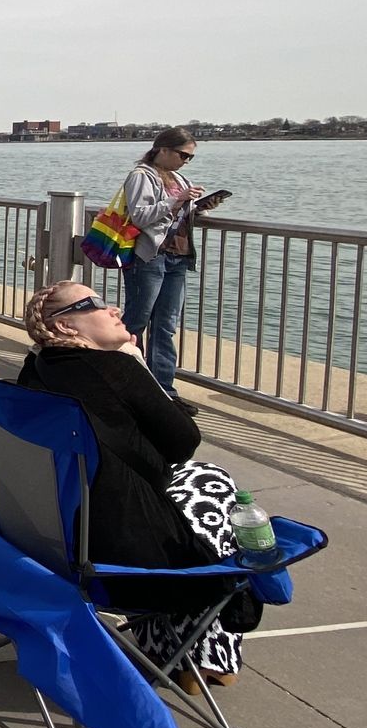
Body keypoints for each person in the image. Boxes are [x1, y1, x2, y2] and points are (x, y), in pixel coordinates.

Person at [19, 280, 252, 689]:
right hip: (116, 553)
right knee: (213, 482)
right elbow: (183, 442)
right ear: (68, 327)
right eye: (94, 303)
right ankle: (204, 655)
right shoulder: (119, 368)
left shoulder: (34, 369)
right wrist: (138, 366)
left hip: (49, 534)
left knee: (197, 485)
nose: (111, 309)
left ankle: (181, 651)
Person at [118, 127, 225, 399]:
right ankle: (123, 381)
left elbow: (174, 215)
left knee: (166, 325)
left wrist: (197, 206)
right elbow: (141, 216)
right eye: (183, 155)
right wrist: (177, 199)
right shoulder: (141, 176)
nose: (185, 161)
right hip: (150, 257)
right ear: (162, 149)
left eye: (190, 158)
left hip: (178, 257)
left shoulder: (178, 177)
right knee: (136, 320)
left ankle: (163, 391)